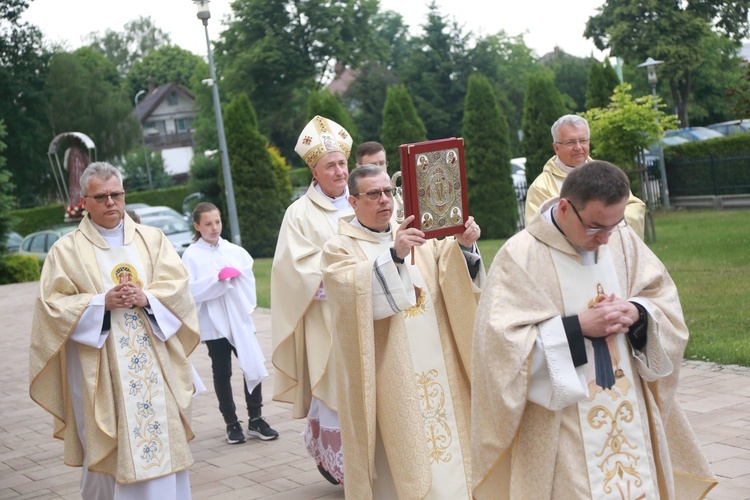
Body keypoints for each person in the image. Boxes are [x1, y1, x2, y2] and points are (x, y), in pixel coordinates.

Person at [471, 161, 717, 499]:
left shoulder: (622, 241)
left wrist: (637, 313)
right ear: (564, 207)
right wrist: (576, 328)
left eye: (614, 225)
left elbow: (664, 302)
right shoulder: (520, 257)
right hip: (563, 421)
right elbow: (498, 349)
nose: (604, 239)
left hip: (630, 408)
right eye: (594, 227)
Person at [29, 162, 202, 499]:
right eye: (101, 196)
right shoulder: (65, 251)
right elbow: (51, 307)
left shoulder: (152, 239)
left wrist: (147, 297)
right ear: (85, 200)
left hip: (155, 364)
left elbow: (179, 288)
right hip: (100, 371)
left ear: (124, 196)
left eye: (116, 194)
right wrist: (98, 304)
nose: (111, 202)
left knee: (160, 438)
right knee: (111, 445)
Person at [321, 164, 485, 499]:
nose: (385, 201)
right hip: (389, 377)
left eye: (388, 192)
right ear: (353, 202)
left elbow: (450, 272)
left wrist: (464, 246)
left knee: (452, 456)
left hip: (440, 369)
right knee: (404, 459)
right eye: (373, 194)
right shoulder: (339, 248)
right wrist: (394, 256)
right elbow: (349, 299)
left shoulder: (417, 235)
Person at [271, 115, 354, 485]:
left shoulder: (367, 199)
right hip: (329, 325)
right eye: (330, 166)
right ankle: (344, 471)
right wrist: (344, 277)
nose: (339, 171)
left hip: (376, 315)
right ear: (314, 173)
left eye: (342, 163)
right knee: (338, 393)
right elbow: (292, 270)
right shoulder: (299, 214)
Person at [182, 202, 278, 444]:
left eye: (217, 222)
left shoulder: (234, 250)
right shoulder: (191, 255)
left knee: (251, 363)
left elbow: (247, 274)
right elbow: (189, 290)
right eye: (207, 224)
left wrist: (234, 276)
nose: (214, 228)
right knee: (222, 371)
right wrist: (216, 280)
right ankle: (231, 422)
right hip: (213, 322)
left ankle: (256, 419)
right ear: (197, 226)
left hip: (238, 316)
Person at [524, 114, 646, 238]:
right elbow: (537, 230)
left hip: (611, 252)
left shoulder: (606, 174)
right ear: (556, 148)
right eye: (570, 142)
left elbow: (634, 207)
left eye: (582, 141)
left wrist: (606, 222)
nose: (578, 147)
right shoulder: (541, 187)